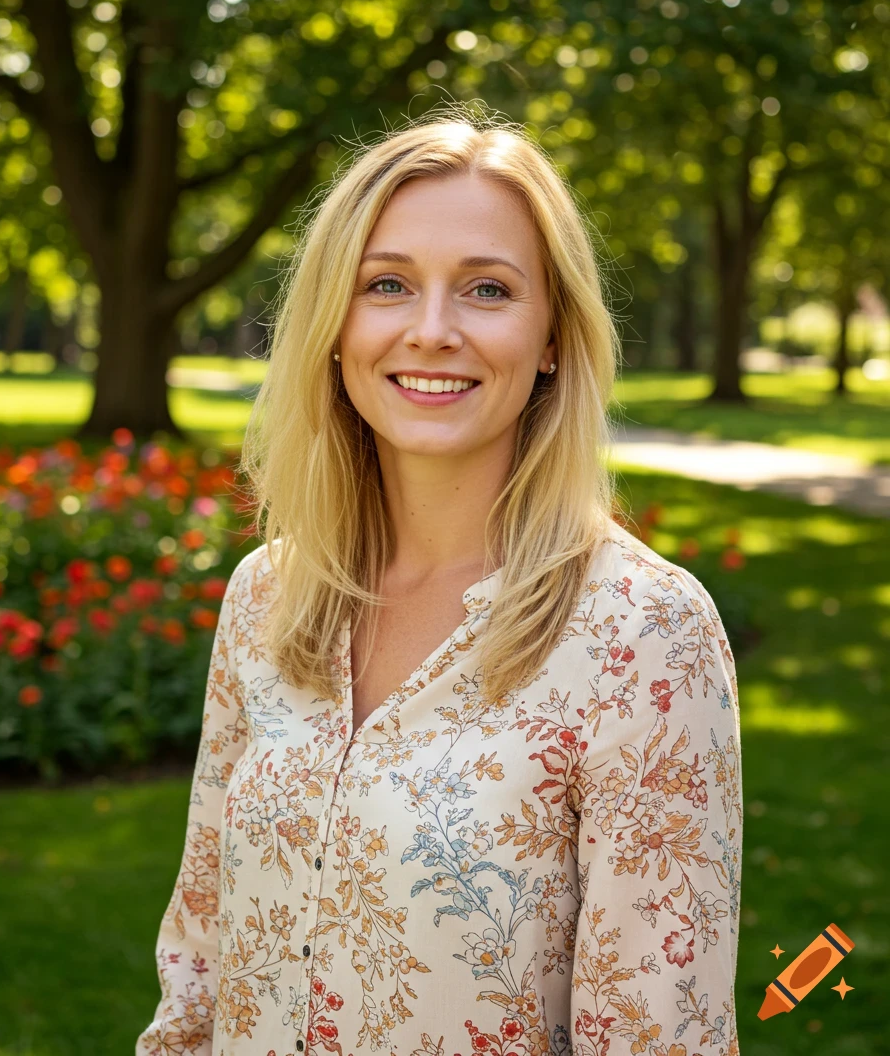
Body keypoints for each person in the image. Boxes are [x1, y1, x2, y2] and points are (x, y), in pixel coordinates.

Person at [137, 110, 742, 1056]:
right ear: (335, 326)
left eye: (487, 290)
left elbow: (657, 1034)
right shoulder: (268, 596)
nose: (431, 331)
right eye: (387, 284)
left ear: (552, 338)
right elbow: (200, 964)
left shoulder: (645, 635)